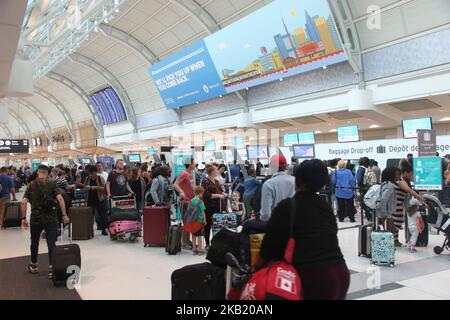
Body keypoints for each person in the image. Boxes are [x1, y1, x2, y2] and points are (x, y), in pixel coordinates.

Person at [258, 159, 350, 300]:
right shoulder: (325, 206)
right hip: (340, 272)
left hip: (313, 276)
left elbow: (269, 246)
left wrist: (255, 270)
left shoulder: (288, 206)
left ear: (298, 180)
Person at [21, 165, 69, 278]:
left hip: (35, 219)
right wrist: (64, 215)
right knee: (51, 244)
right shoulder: (52, 184)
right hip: (51, 219)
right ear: (48, 173)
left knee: (34, 242)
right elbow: (60, 198)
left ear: (38, 172)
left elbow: (23, 202)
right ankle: (52, 269)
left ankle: (34, 266)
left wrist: (23, 218)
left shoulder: (31, 185)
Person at [392, 164, 425, 246]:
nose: (413, 176)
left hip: (399, 204)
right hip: (396, 205)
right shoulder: (401, 181)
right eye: (411, 174)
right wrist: (419, 197)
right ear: (406, 173)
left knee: (398, 222)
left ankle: (395, 240)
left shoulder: (403, 182)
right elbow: (409, 190)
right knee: (396, 222)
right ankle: (393, 240)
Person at [260, 155, 295, 222]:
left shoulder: (268, 184)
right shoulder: (295, 181)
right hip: (295, 225)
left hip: (276, 225)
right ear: (285, 166)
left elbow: (265, 215)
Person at [201, 164, 228, 248]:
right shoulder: (205, 181)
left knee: (217, 224)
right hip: (209, 206)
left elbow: (220, 190)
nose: (217, 171)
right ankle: (207, 244)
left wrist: (223, 193)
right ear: (212, 172)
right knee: (208, 225)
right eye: (216, 170)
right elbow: (206, 195)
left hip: (217, 205)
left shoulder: (216, 181)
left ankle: (215, 242)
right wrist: (218, 196)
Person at [174, 158, 197, 249]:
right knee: (187, 221)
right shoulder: (184, 174)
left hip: (191, 201)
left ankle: (187, 240)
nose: (195, 164)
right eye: (194, 162)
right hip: (185, 202)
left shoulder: (189, 174)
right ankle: (184, 242)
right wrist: (181, 192)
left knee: (190, 221)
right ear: (190, 164)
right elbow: (175, 184)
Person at [85, 166, 109, 236]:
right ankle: (90, 231)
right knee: (90, 215)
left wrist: (96, 187)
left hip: (100, 199)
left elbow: (104, 188)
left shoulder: (100, 178)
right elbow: (85, 187)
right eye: (90, 173)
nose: (91, 174)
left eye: (92, 173)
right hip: (90, 199)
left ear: (95, 172)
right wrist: (87, 187)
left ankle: (104, 229)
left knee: (102, 215)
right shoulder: (87, 178)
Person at [188, 186, 207, 255]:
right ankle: (200, 249)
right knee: (199, 235)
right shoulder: (200, 201)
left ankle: (194, 249)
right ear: (200, 193)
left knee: (193, 235)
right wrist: (205, 220)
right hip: (199, 220)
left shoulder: (191, 201)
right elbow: (203, 212)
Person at [356, 157, 372, 221]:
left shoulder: (360, 169)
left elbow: (359, 180)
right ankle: (370, 215)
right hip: (368, 188)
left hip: (363, 189)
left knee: (363, 203)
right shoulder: (367, 169)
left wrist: (361, 186)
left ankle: (369, 216)